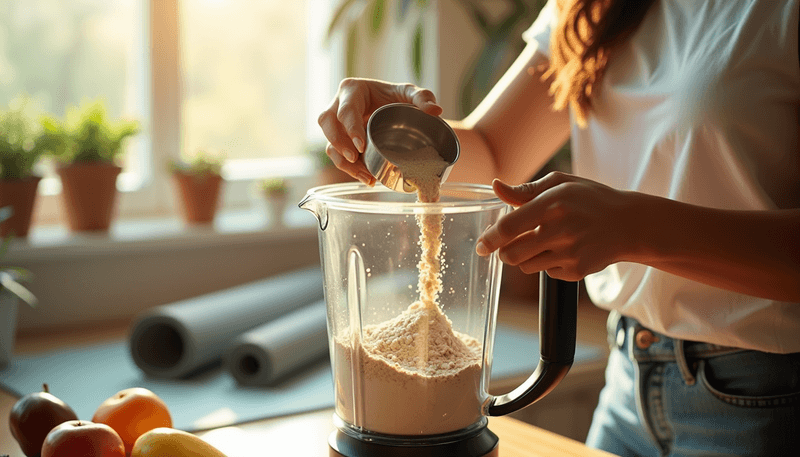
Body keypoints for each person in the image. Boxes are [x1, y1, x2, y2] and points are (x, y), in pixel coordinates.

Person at [317, 0, 800, 455]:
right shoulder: (591, 6)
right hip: (629, 384)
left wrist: (634, 227)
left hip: (765, 397)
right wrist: (396, 128)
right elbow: (497, 151)